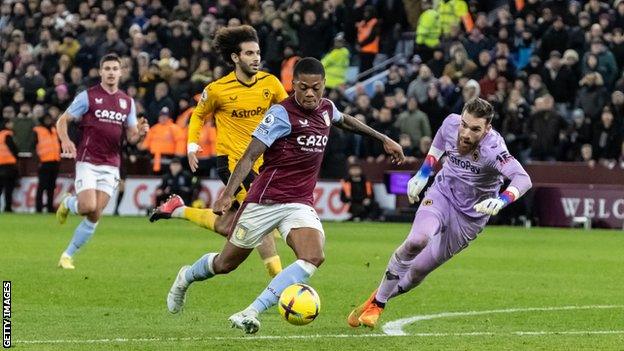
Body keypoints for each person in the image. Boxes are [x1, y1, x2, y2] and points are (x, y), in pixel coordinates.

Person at [165, 58, 405, 334]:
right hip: (263, 201)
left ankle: (251, 310)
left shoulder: (326, 109)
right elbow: (250, 155)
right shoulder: (280, 114)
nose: (310, 94)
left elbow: (345, 120)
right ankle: (185, 277)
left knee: (313, 255)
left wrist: (383, 138)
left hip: (298, 203)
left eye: (316, 88)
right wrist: (227, 194)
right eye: (303, 88)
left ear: (324, 86)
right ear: (293, 86)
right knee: (224, 264)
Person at [347, 98, 532, 329]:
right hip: (442, 194)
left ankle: (375, 299)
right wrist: (424, 172)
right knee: (417, 240)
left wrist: (503, 199)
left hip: (470, 218)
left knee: (417, 272)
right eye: (464, 124)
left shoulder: (494, 149)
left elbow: (523, 178)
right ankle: (379, 305)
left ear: (487, 129)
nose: (465, 133)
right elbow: (439, 141)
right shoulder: (451, 123)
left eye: (475, 129)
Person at [149, 25, 289, 278]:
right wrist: (192, 146)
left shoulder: (271, 83)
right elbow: (198, 115)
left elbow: (289, 113)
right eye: (248, 53)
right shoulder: (218, 89)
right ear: (235, 57)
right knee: (262, 217)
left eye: (257, 53)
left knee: (230, 226)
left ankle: (178, 209)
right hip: (233, 162)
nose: (256, 58)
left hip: (262, 162)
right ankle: (281, 285)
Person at [55, 53, 149, 269]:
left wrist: (141, 133)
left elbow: (132, 137)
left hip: (111, 164)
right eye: (107, 68)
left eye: (115, 69)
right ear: (101, 72)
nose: (111, 72)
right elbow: (63, 119)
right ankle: (69, 203)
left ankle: (67, 256)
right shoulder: (88, 96)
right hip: (88, 160)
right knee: (88, 206)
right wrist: (66, 140)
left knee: (95, 213)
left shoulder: (127, 102)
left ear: (121, 72)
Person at [33, 114, 61, 213]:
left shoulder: (54, 130)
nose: (48, 121)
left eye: (49, 119)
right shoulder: (37, 130)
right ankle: (38, 207)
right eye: (46, 119)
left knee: (51, 187)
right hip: (44, 162)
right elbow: (33, 146)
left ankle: (49, 207)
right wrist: (37, 161)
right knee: (42, 186)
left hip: (54, 161)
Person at [0, 120, 18, 213]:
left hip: (0, 165)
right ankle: (8, 207)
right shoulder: (8, 134)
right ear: (7, 124)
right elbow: (14, 149)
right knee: (8, 189)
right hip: (9, 166)